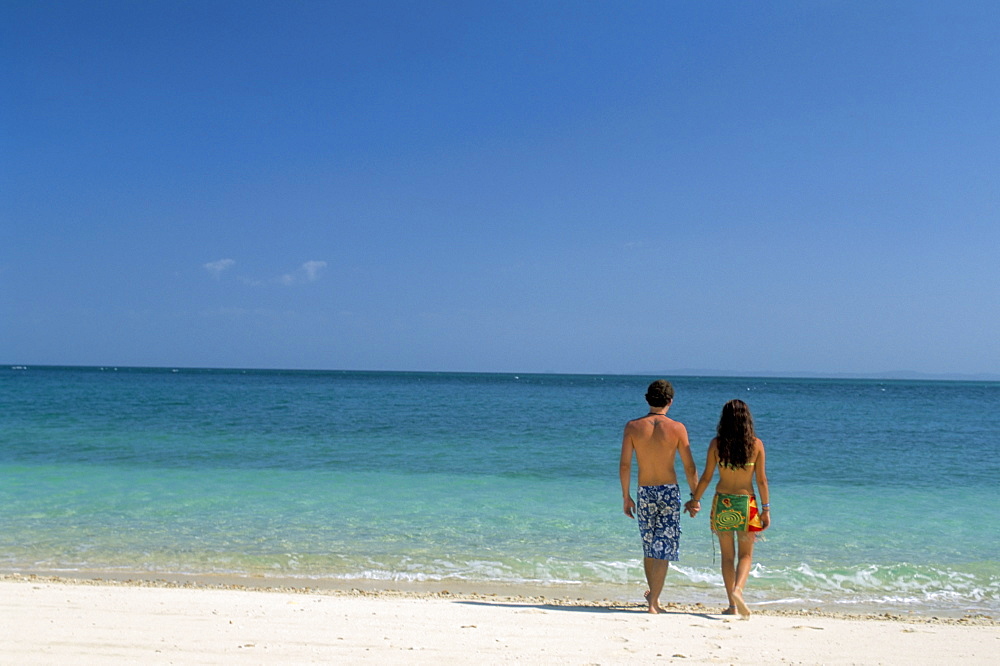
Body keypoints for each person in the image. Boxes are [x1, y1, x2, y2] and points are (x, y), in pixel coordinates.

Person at [685, 399, 770, 619]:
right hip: (746, 504)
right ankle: (738, 591)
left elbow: (706, 477)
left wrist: (695, 500)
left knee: (726, 557)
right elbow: (761, 481)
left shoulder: (717, 444)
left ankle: (732, 605)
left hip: (723, 503)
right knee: (746, 556)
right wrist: (766, 509)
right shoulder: (756, 445)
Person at [619, 379, 699, 614]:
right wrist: (695, 497)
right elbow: (689, 467)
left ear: (647, 399)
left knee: (648, 546)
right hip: (668, 492)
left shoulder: (633, 427)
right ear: (670, 401)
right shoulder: (677, 428)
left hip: (644, 491)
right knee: (663, 547)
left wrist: (626, 496)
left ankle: (653, 598)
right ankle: (654, 602)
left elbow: (625, 465)